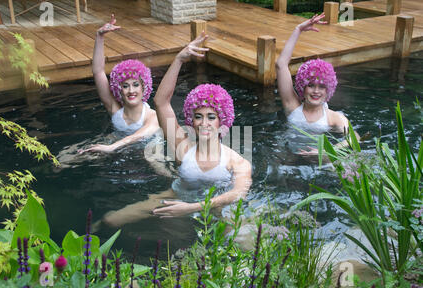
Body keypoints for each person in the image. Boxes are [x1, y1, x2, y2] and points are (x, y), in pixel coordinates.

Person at [93, 32, 252, 229]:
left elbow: (237, 194)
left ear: (222, 122)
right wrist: (178, 59)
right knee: (110, 220)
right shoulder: (182, 148)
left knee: (244, 243)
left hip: (216, 208)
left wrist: (191, 208)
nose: (204, 123)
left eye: (211, 117)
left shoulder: (237, 161)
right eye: (198, 117)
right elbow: (160, 102)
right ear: (191, 121)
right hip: (176, 197)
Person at [275, 13, 359, 154]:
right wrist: (298, 30)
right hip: (290, 158)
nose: (316, 91)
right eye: (311, 85)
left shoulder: (333, 117)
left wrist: (325, 151)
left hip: (319, 161)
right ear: (303, 86)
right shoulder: (292, 107)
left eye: (322, 87)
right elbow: (281, 65)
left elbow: (354, 137)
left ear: (328, 91)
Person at [76, 14, 160, 155]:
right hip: (117, 146)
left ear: (144, 87)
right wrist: (99, 37)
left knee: (159, 168)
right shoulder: (115, 110)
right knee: (72, 155)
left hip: (149, 152)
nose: (131, 91)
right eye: (125, 86)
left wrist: (112, 147)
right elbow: (98, 71)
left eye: (135, 85)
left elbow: (138, 136)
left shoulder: (153, 116)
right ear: (118, 89)